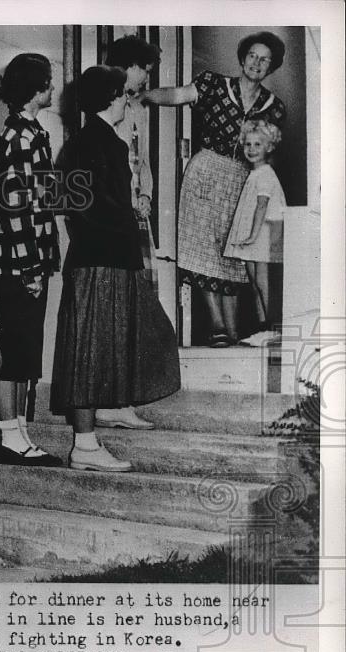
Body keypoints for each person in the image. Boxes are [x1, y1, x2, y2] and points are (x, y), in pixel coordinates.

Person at [51, 66, 180, 472]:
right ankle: (85, 446)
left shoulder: (88, 140)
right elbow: (83, 206)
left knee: (100, 346)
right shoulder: (98, 141)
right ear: (112, 98)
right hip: (101, 261)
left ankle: (95, 430)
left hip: (102, 259)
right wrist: (126, 219)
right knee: (89, 348)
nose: (129, 100)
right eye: (124, 94)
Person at [142, 31, 287, 348]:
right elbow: (176, 95)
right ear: (243, 57)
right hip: (206, 175)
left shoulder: (275, 107)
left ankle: (233, 331)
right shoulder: (212, 84)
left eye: (265, 59)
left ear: (271, 67)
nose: (256, 63)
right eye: (252, 55)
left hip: (243, 182)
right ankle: (218, 327)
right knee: (205, 253)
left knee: (235, 258)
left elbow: (270, 160)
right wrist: (138, 94)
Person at [0, 53, 63, 466]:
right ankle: (8, 435)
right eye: (49, 83)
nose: (53, 90)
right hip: (16, 264)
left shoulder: (33, 132)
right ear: (35, 90)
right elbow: (14, 208)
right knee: (14, 351)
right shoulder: (19, 137)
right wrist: (30, 267)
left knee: (25, 350)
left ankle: (18, 432)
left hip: (27, 261)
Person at [96, 34, 163, 430]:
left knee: (135, 310)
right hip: (117, 220)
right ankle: (107, 401)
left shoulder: (134, 109)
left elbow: (144, 163)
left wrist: (148, 196)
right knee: (115, 312)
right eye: (145, 70)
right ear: (128, 66)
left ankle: (121, 399)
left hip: (136, 217)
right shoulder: (105, 111)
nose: (146, 79)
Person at [222, 119, 286, 346]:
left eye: (257, 145)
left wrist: (252, 235)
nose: (251, 149)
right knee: (254, 282)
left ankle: (273, 326)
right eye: (247, 144)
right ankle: (263, 327)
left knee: (262, 281)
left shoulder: (266, 174)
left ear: (269, 147)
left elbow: (262, 206)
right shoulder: (254, 174)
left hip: (264, 233)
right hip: (254, 235)